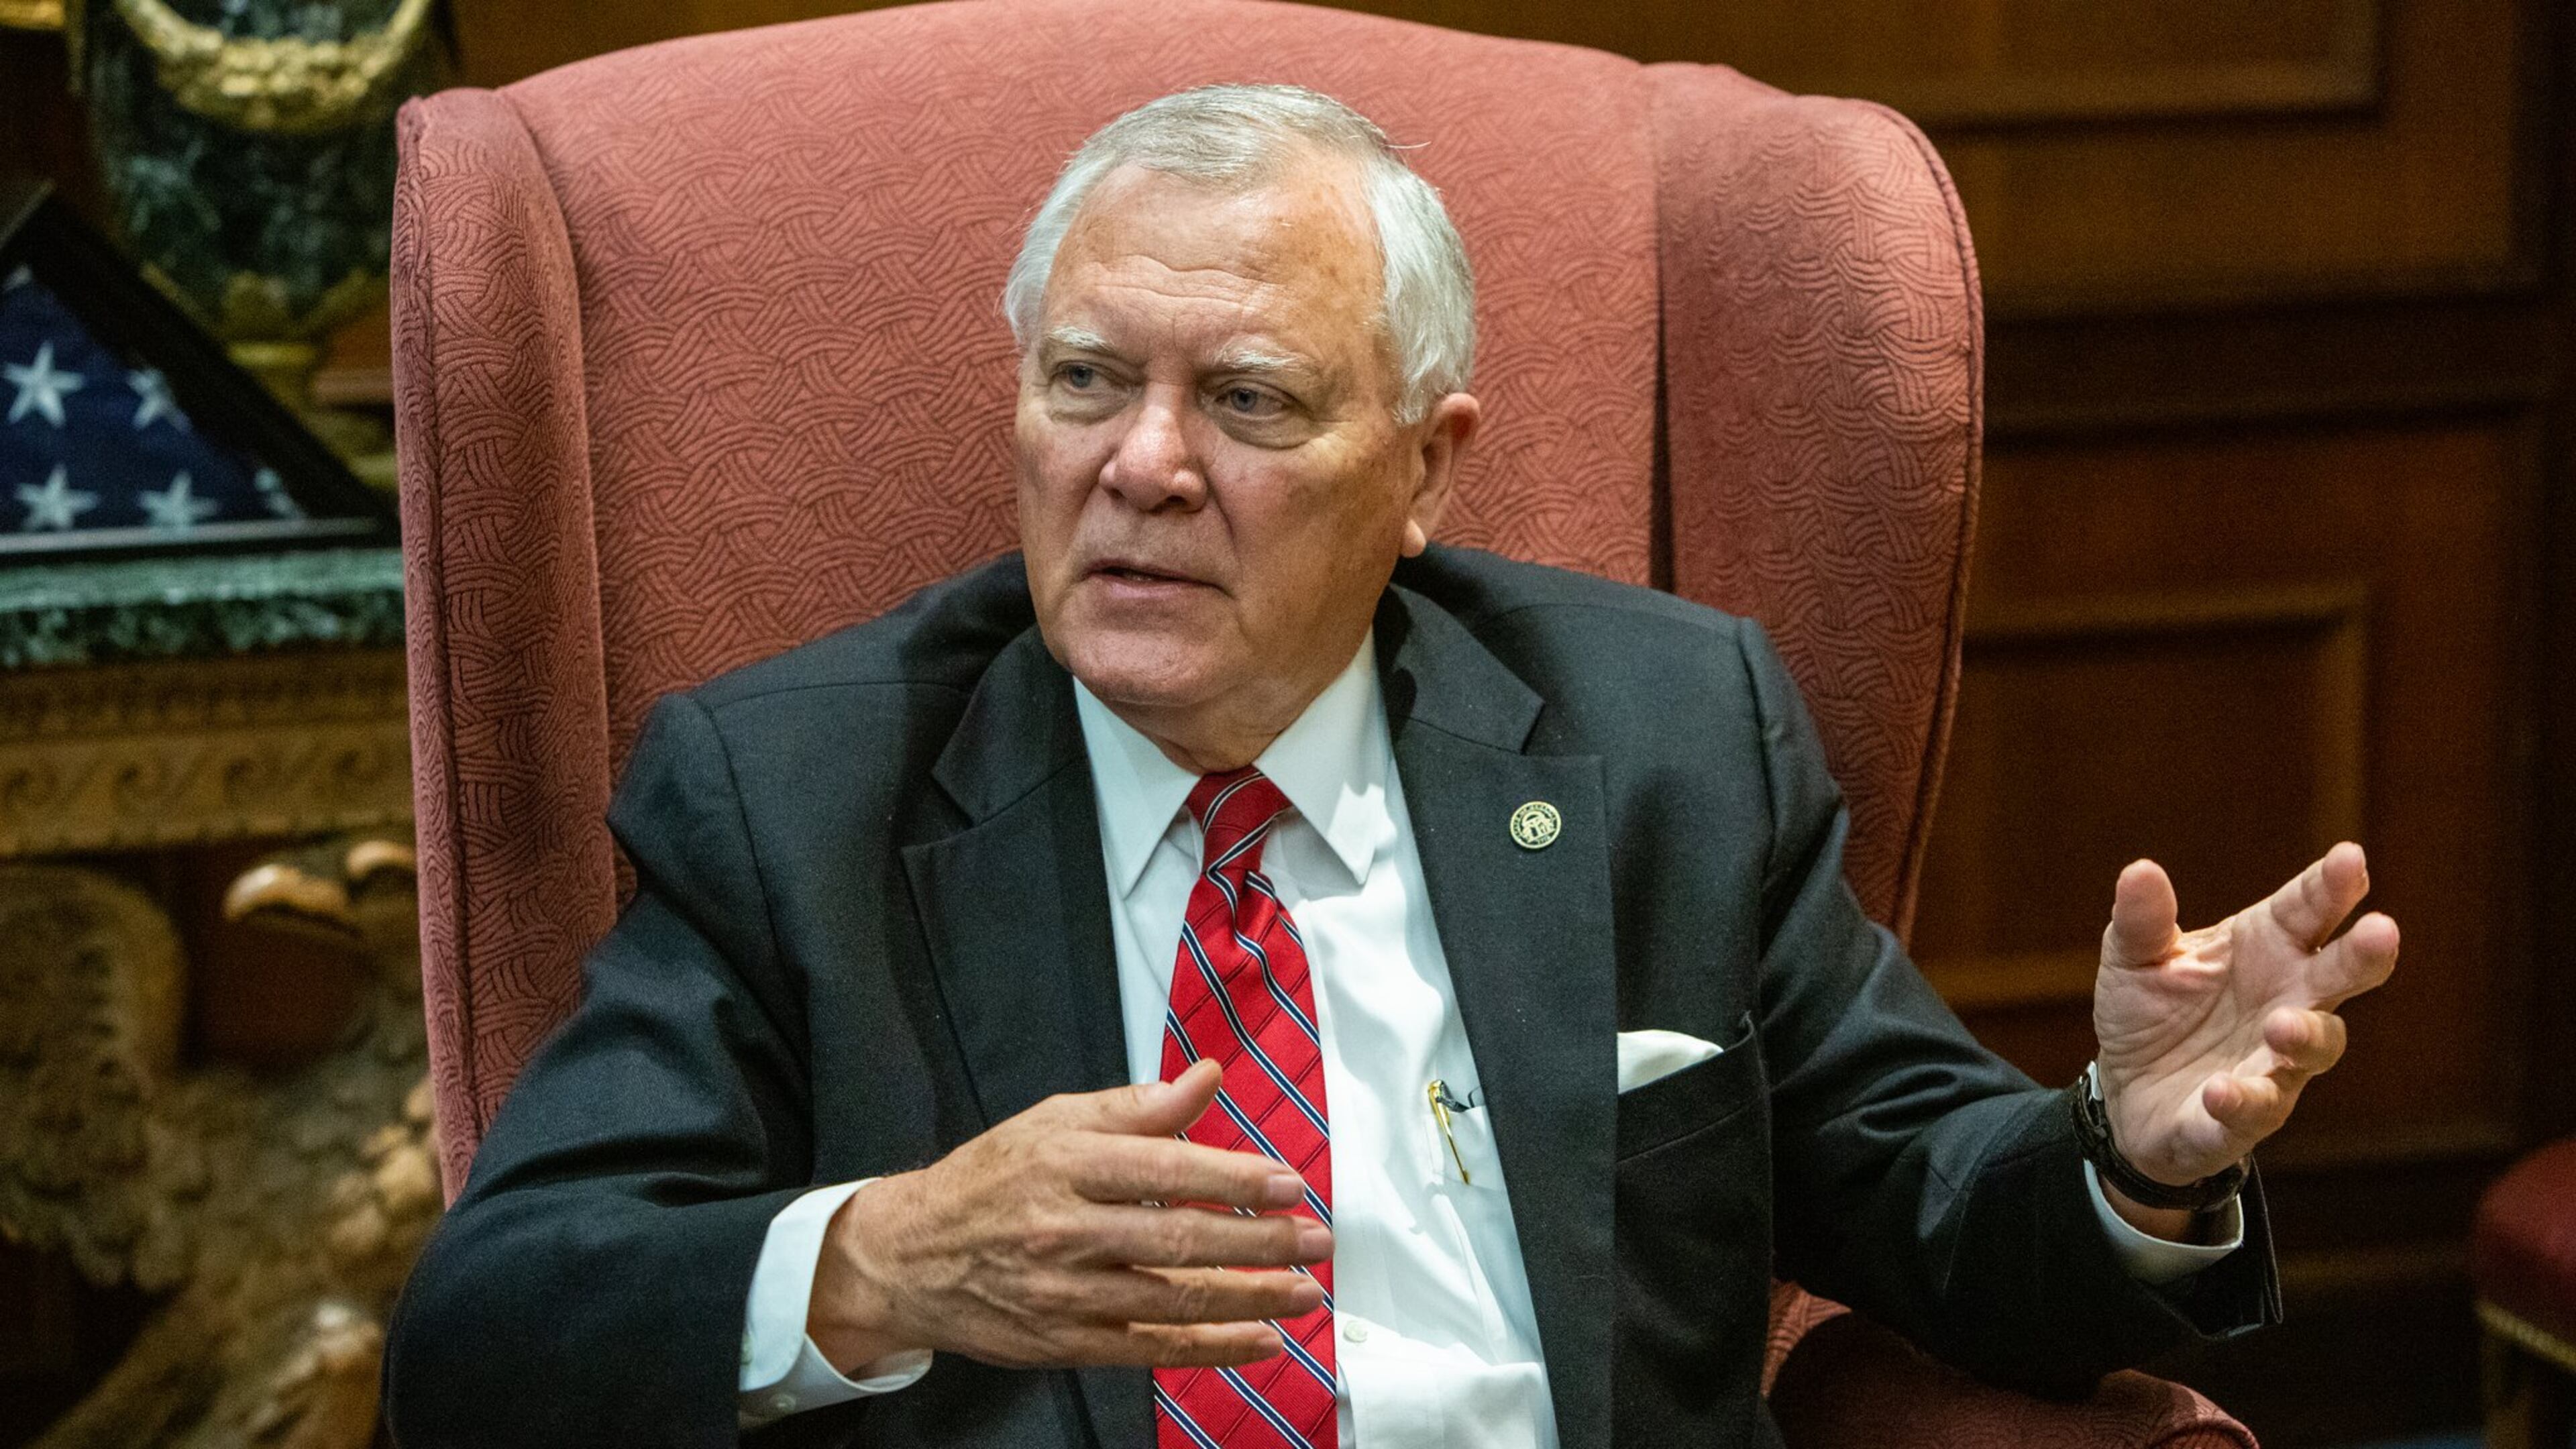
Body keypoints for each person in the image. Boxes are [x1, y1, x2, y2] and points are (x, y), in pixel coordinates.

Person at [381, 84, 2400, 1449]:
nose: (1143, 464)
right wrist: (888, 1260)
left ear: (1427, 466)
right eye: (1087, 380)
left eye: (1245, 399)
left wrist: (2131, 1152)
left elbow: (1941, 1220)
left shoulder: (1664, 737)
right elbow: (488, 1338)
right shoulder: (794, 794)